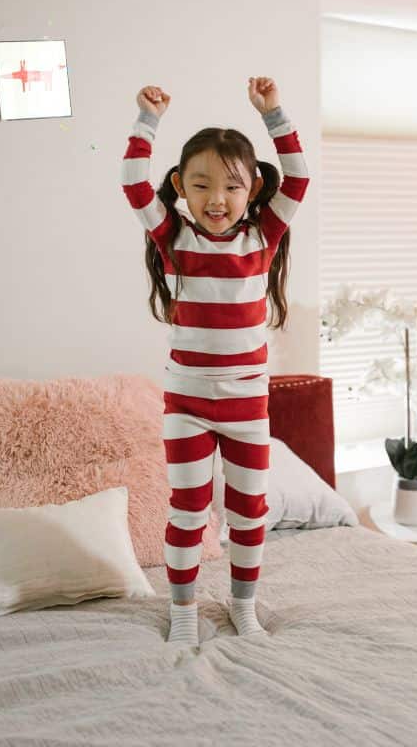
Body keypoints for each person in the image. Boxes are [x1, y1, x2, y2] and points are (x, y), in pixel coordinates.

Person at [120, 77, 309, 646]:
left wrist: (273, 113)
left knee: (250, 511)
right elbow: (132, 182)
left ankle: (243, 606)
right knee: (188, 509)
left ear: (252, 190)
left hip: (248, 402)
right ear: (180, 187)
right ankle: (183, 612)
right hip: (187, 405)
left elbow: (298, 176)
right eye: (200, 185)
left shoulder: (264, 237)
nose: (216, 199)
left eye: (231, 186)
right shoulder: (172, 237)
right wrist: (146, 120)